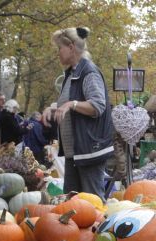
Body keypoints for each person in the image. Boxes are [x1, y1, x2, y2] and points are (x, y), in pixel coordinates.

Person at [43, 27, 113, 200]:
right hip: (74, 152)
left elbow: (97, 106)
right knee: (73, 203)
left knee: (93, 203)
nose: (58, 53)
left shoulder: (89, 73)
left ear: (71, 47)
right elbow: (71, 104)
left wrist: (71, 104)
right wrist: (54, 108)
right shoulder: (72, 74)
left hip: (89, 151)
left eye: (60, 48)